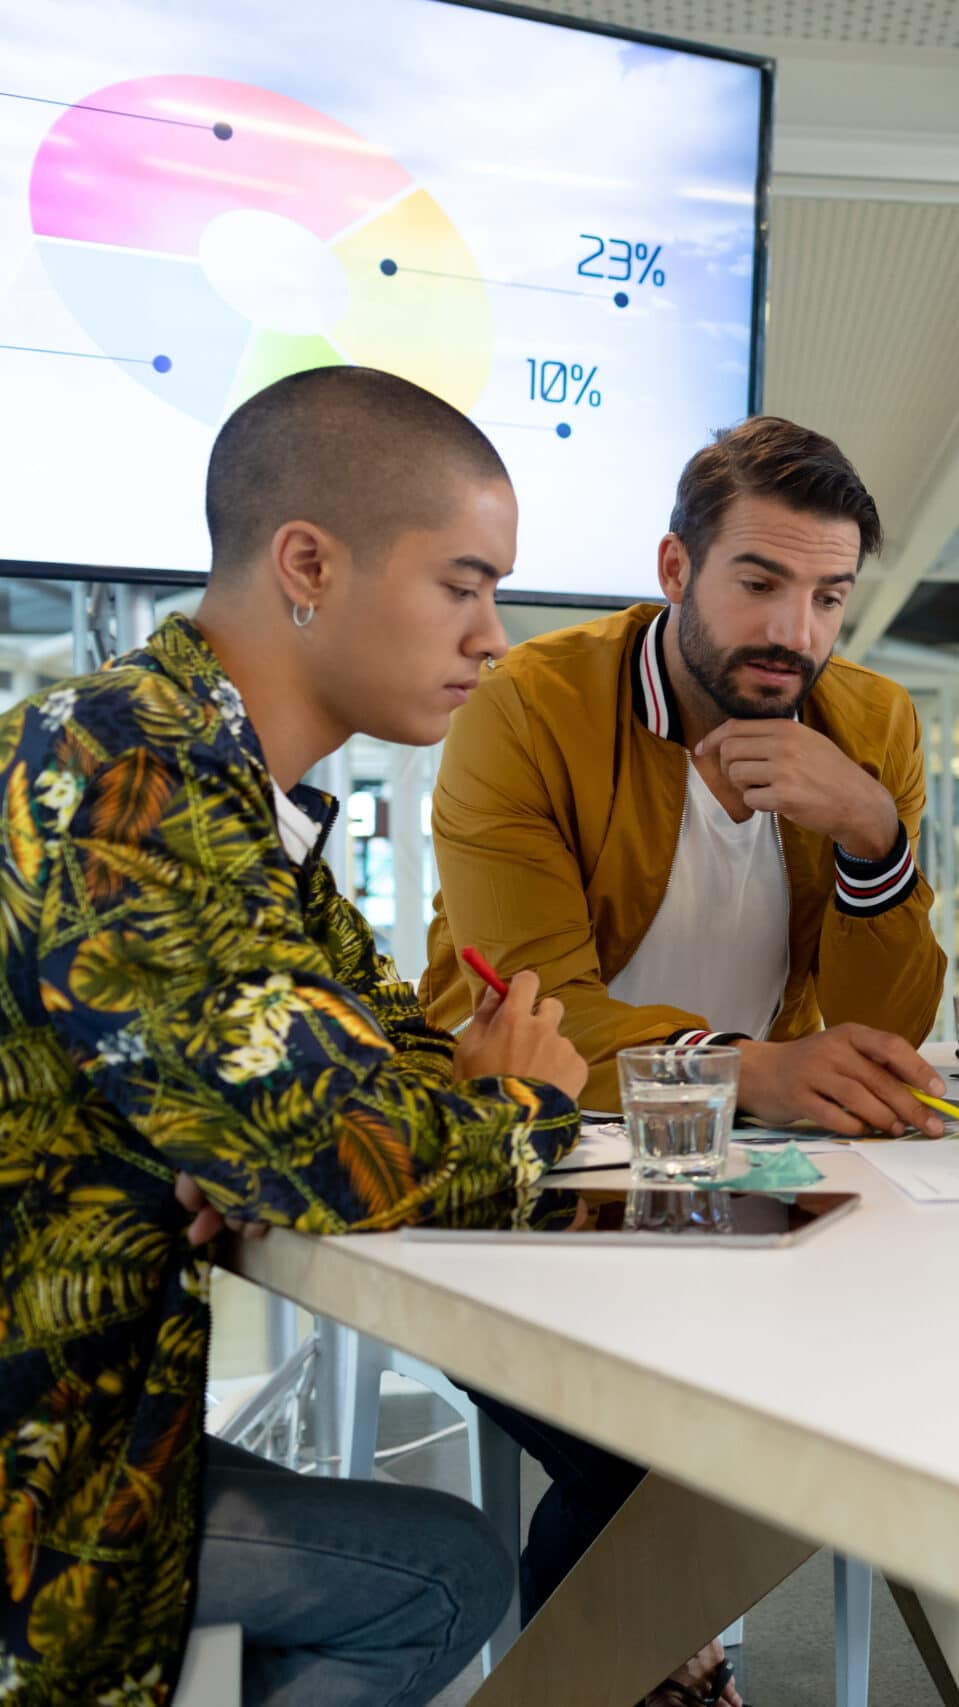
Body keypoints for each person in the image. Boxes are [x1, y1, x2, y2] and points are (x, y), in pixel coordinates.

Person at [0, 366, 589, 1706]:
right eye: (464, 583)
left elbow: (362, 1066)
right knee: (444, 1575)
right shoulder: (122, 770)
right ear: (310, 563)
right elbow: (341, 1151)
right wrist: (528, 1108)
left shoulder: (232, 799)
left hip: (83, 1411)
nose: (492, 635)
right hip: (44, 1469)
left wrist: (236, 1140)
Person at [415, 415, 951, 1687]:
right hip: (520, 1167)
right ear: (674, 570)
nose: (797, 633)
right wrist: (750, 1066)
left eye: (828, 597)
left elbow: (895, 1022)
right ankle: (664, 1670)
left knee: (855, 1386)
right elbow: (539, 1006)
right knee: (659, 1442)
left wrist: (876, 840)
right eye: (759, 583)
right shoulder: (529, 709)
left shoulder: (870, 725)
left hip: (732, 1185)